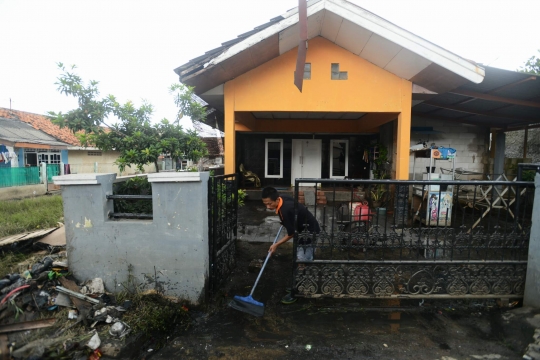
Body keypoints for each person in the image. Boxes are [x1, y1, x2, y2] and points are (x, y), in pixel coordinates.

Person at [261, 187, 320, 304]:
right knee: (300, 260)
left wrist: (276, 245)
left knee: (302, 261)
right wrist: (285, 221)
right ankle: (296, 284)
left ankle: (298, 291)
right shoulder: (282, 199)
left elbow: (291, 233)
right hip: (302, 229)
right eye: (265, 204)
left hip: (309, 233)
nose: (268, 206)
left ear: (277, 200)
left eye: (270, 203)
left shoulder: (286, 210)